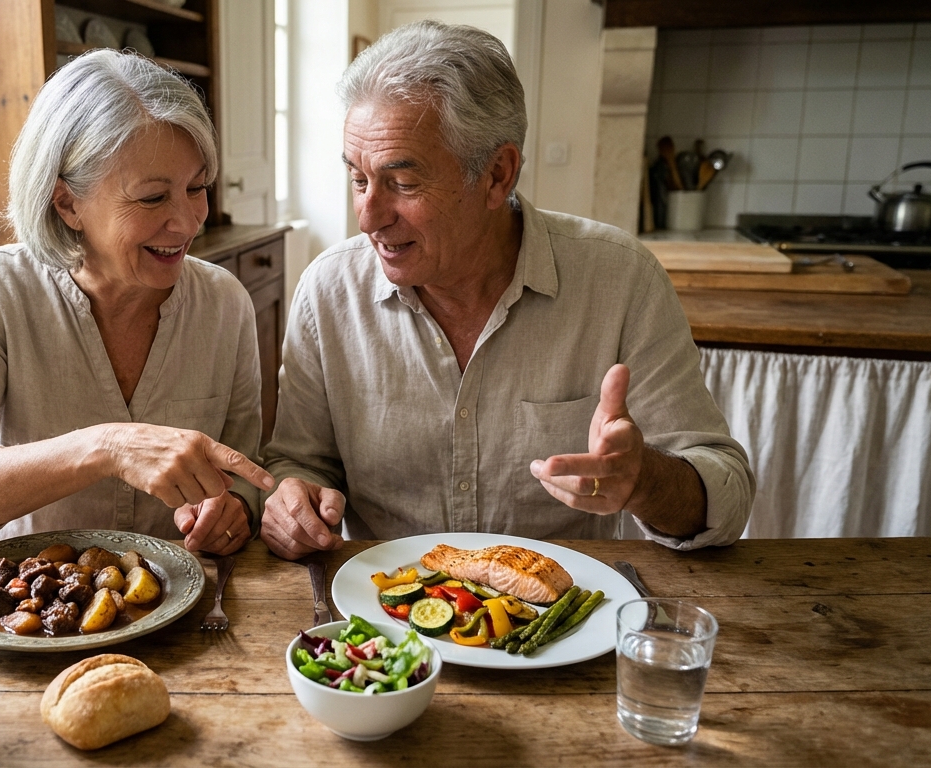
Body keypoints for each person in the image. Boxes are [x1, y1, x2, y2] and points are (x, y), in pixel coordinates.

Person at [260, 21, 753, 560]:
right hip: (384, 621)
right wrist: (293, 501)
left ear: (498, 174)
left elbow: (727, 493)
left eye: (402, 183)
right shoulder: (328, 291)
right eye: (358, 179)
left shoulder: (621, 280)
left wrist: (645, 481)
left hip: (561, 625)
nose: (368, 216)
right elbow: (299, 463)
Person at [0, 50, 273, 555]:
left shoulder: (224, 303)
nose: (187, 222)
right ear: (67, 203)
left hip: (184, 603)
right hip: (31, 606)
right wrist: (106, 447)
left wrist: (235, 509)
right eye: (152, 198)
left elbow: (245, 468)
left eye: (196, 188)